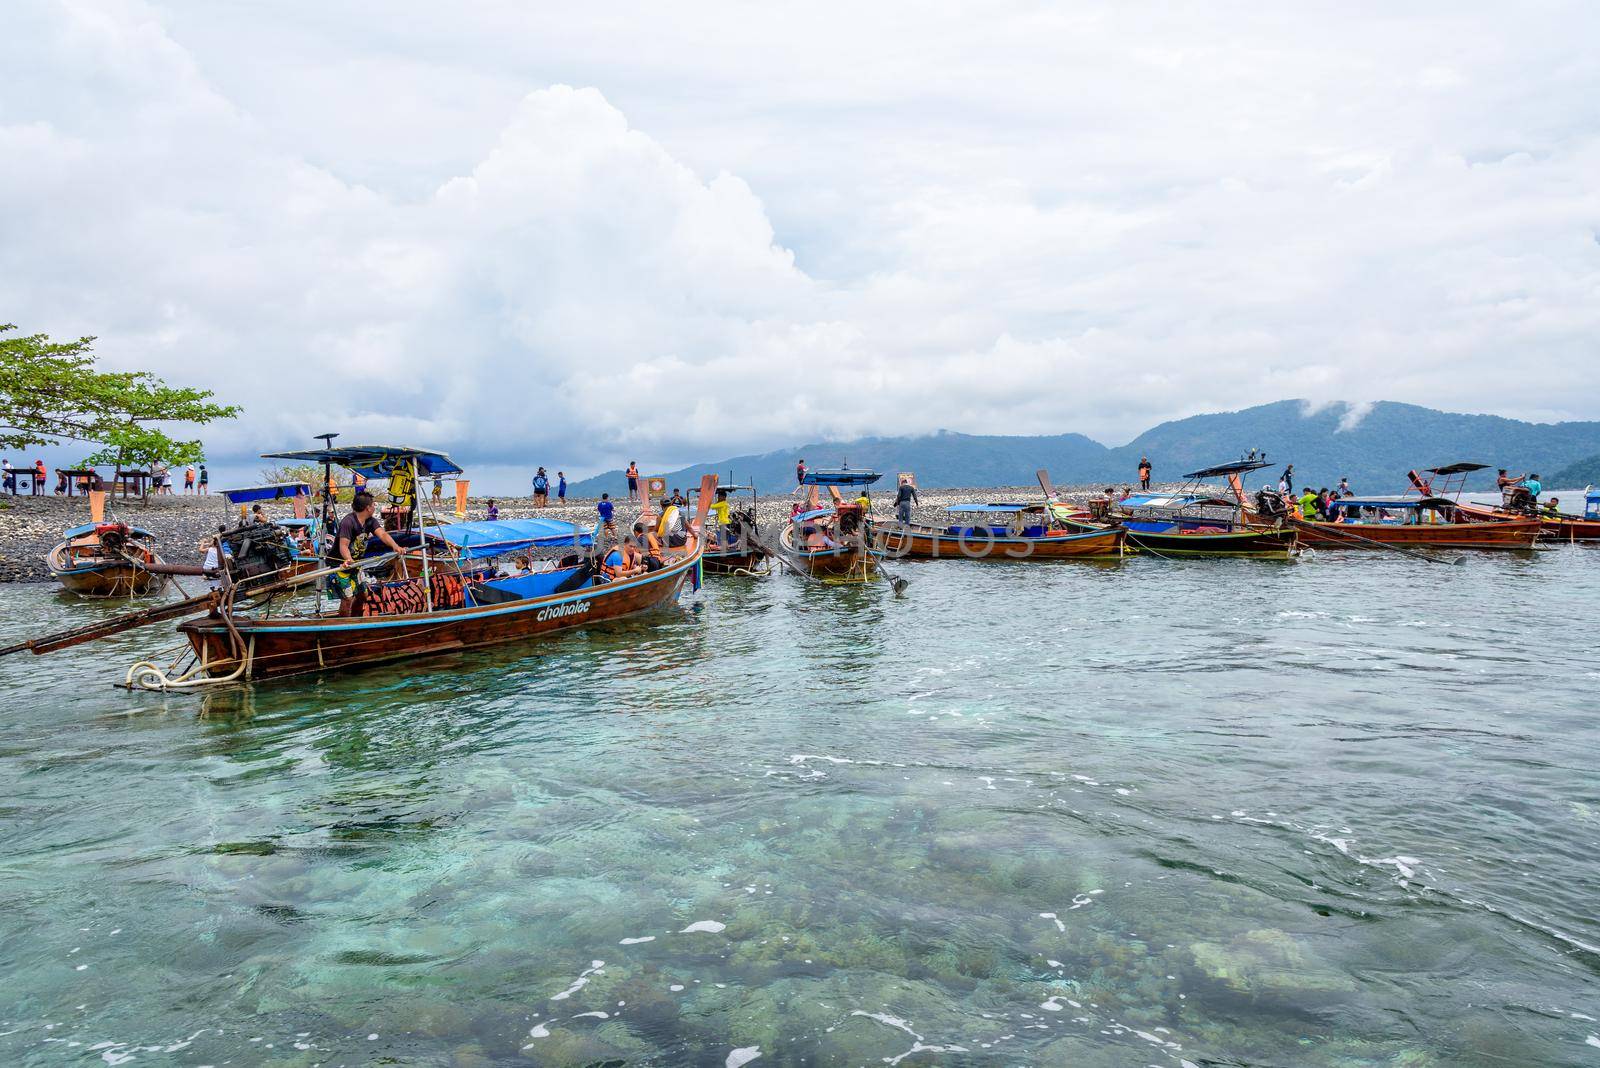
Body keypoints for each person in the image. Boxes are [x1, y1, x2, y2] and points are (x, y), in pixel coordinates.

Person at [327, 491, 405, 616]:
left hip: (355, 564)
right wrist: (348, 559)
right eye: (373, 505)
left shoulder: (370, 521)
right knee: (347, 598)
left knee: (363, 595)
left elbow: (383, 535)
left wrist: (396, 547)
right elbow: (343, 546)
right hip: (340, 565)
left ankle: (356, 618)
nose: (375, 507)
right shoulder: (348, 522)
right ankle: (343, 626)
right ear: (368, 508)